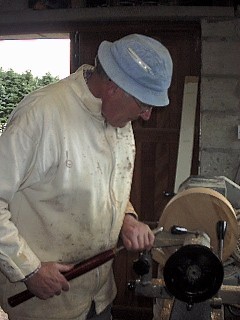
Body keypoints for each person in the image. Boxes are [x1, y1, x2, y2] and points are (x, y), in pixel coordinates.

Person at [0, 33, 173, 320]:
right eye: (144, 104)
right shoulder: (41, 115)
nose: (147, 116)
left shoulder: (117, 119)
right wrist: (28, 269)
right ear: (114, 88)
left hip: (99, 297)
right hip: (44, 304)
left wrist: (126, 220)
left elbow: (108, 183)